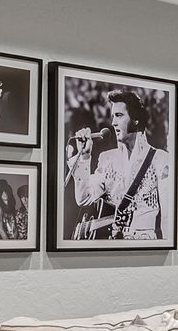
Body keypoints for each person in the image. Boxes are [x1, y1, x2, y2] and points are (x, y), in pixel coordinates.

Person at [69, 88, 169, 240]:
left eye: (119, 115)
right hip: (113, 247)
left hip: (145, 247)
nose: (113, 122)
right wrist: (85, 156)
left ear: (135, 119)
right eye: (112, 116)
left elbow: (168, 218)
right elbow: (84, 198)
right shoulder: (107, 160)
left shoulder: (160, 160)